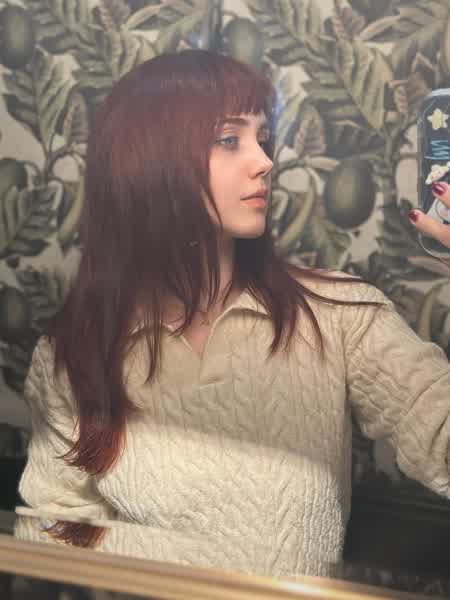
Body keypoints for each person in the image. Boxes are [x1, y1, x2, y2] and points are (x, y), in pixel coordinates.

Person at [15, 49, 450, 580]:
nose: (265, 161)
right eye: (229, 140)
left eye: (263, 138)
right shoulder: (71, 355)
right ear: (149, 162)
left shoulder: (340, 315)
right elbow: (54, 538)